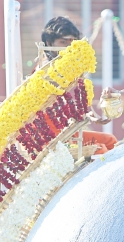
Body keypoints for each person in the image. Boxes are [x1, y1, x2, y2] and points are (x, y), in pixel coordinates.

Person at [37, 16, 116, 155]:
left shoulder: (67, 66)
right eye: (63, 42)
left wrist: (90, 116)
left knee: (110, 141)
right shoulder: (45, 68)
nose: (69, 47)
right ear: (49, 43)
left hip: (65, 131)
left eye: (72, 42)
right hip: (50, 137)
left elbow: (72, 104)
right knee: (101, 149)